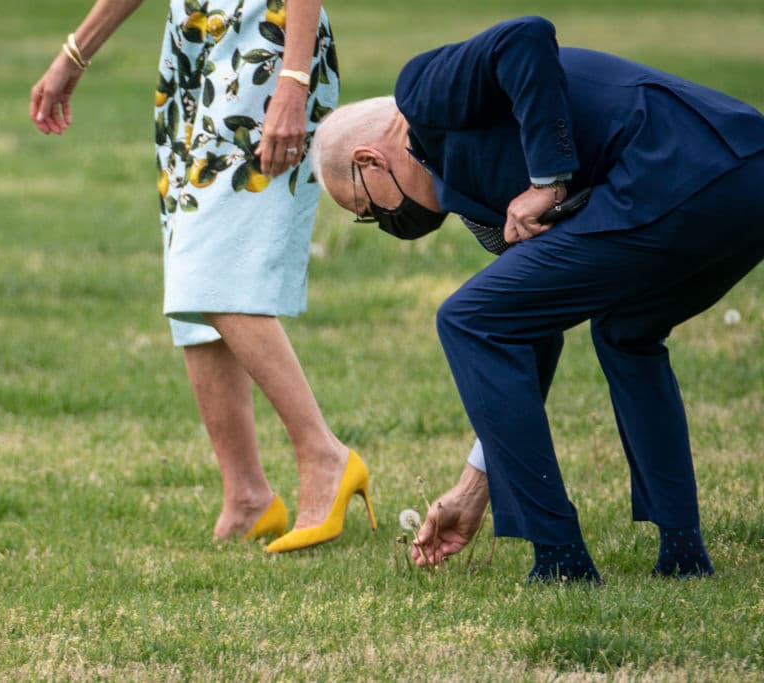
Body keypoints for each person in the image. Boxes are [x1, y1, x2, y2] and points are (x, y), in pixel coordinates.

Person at [310, 16, 764, 581]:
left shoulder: (421, 94)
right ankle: (683, 551)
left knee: (466, 319)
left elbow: (524, 35)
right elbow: (530, 336)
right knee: (626, 333)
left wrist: (549, 180)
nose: (383, 223)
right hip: (741, 175)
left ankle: (560, 558)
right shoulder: (478, 204)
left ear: (369, 162)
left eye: (367, 213)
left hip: (679, 169)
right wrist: (475, 486)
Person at [29, 0, 375, 552]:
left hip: (268, 48)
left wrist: (291, 80)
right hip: (192, 50)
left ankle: (324, 455)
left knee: (207, 270)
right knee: (188, 270)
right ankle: (247, 495)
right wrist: (75, 54)